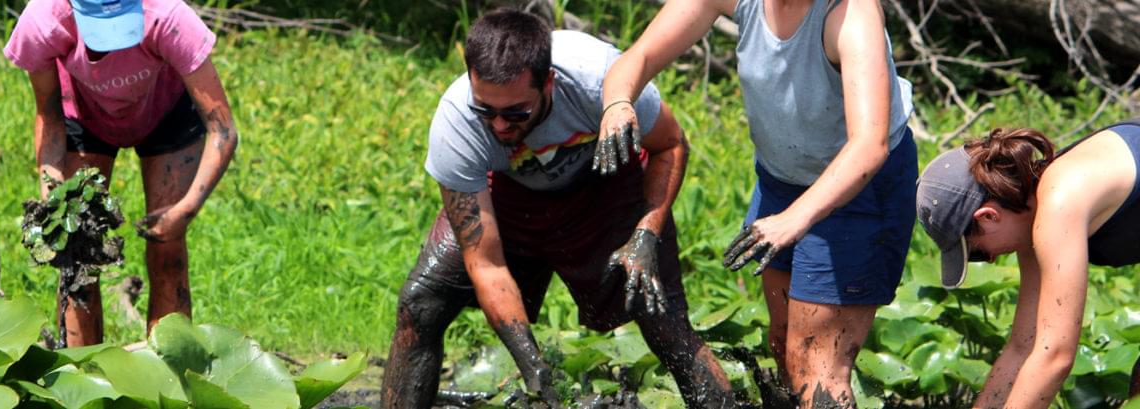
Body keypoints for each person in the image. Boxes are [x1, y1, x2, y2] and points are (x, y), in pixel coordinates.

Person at [380, 9, 736, 408]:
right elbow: (487, 265)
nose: (499, 126)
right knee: (420, 301)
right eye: (486, 110)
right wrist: (532, 364)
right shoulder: (456, 123)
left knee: (662, 316)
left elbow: (669, 145)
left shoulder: (597, 77)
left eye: (515, 112)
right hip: (510, 199)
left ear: (547, 83)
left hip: (605, 191)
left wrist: (646, 233)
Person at [597, 0, 917, 405]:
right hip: (782, 179)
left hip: (859, 187)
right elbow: (638, 57)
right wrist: (618, 103)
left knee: (817, 367)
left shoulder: (850, 16)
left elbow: (869, 147)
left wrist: (794, 219)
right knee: (784, 348)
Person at [4, 0, 238, 346]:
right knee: (78, 253)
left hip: (166, 114)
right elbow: (48, 112)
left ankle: (169, 379)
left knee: (167, 248)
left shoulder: (167, 17)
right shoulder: (45, 21)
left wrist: (184, 211)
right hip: (83, 116)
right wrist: (50, 195)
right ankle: (84, 383)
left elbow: (223, 129)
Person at [917, 120, 1140, 407]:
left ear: (988, 216)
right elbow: (1024, 345)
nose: (993, 259)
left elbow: (1055, 356)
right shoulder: (1035, 209)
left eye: (978, 253)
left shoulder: (1060, 202)